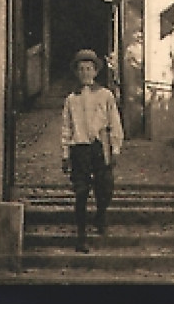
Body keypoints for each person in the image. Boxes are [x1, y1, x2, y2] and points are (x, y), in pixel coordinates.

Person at [61, 48, 124, 253]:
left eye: (89, 69)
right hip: (79, 149)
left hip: (100, 146)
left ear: (96, 71)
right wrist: (65, 155)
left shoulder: (105, 95)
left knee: (104, 186)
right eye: (81, 69)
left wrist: (115, 148)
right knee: (80, 192)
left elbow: (114, 122)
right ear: (77, 73)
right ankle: (81, 238)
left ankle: (100, 214)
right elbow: (66, 127)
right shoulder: (71, 99)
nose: (85, 73)